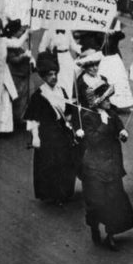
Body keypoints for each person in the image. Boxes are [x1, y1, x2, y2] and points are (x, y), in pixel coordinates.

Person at [71, 82, 133, 251]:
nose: (109, 101)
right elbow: (92, 140)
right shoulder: (88, 117)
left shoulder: (111, 113)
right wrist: (104, 124)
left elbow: (119, 126)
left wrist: (122, 133)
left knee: (114, 200)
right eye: (106, 99)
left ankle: (111, 235)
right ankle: (94, 227)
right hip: (94, 167)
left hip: (112, 164)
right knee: (97, 202)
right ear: (99, 101)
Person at [24, 53, 77, 205]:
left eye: (55, 74)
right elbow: (33, 119)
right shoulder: (39, 95)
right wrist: (35, 137)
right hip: (47, 134)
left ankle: (65, 192)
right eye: (49, 75)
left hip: (62, 132)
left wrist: (70, 122)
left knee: (66, 162)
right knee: (51, 164)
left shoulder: (62, 91)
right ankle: (54, 194)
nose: (53, 77)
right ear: (43, 77)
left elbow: (68, 112)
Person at [98, 21, 133, 111]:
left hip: (114, 58)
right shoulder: (100, 21)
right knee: (104, 79)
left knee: (118, 80)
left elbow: (121, 36)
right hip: (103, 57)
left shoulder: (115, 22)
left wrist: (114, 32)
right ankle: (106, 102)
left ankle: (120, 104)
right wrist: (103, 32)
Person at [4, 19, 32, 129]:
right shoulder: (10, 43)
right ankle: (16, 118)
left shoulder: (20, 42)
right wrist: (23, 56)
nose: (21, 32)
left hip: (23, 72)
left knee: (24, 96)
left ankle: (21, 117)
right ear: (14, 32)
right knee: (17, 97)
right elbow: (13, 60)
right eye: (19, 30)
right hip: (16, 74)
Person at [39, 28, 80, 97]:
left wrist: (82, 50)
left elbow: (73, 45)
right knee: (59, 81)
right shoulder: (49, 31)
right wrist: (46, 59)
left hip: (67, 58)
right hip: (56, 58)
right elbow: (41, 48)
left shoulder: (67, 31)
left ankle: (69, 100)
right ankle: (60, 100)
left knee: (69, 80)